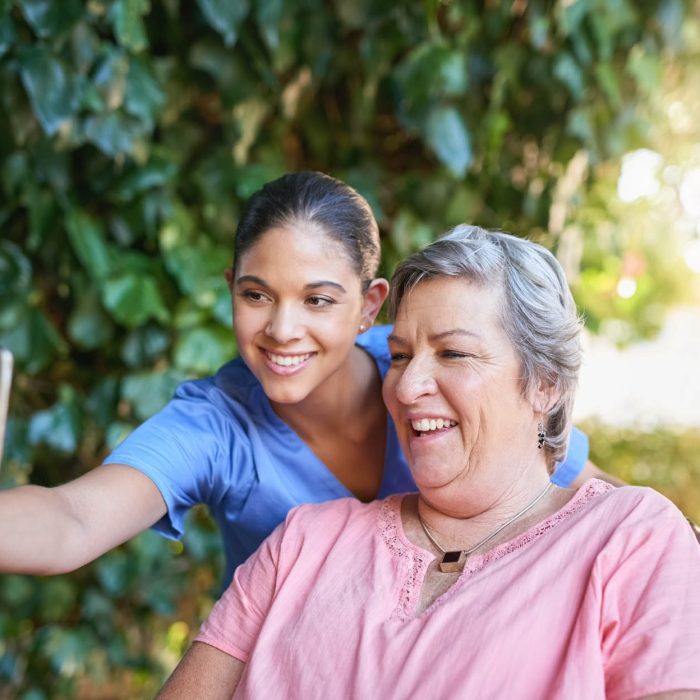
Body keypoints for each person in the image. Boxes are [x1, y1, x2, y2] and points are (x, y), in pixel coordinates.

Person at [158, 226, 700, 699]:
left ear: (545, 384)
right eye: (398, 356)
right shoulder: (302, 542)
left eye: (453, 353)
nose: (407, 387)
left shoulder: (631, 539)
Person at [0, 173, 594, 586]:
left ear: (369, 305)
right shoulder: (216, 424)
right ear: (232, 286)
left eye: (318, 300)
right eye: (256, 294)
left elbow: (580, 492)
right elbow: (71, 520)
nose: (282, 329)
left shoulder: (427, 382)